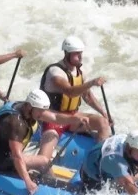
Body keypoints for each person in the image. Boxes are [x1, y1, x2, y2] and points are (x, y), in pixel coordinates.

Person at [0, 89, 89, 195]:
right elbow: (17, 156)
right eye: (40, 111)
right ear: (30, 107)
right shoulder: (15, 123)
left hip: (9, 154)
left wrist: (76, 119)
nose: (43, 114)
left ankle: (51, 184)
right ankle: (56, 190)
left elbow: (55, 117)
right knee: (43, 161)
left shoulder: (27, 109)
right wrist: (28, 181)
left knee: (40, 161)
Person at [38, 35, 111, 163]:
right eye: (76, 54)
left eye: (80, 53)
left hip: (73, 117)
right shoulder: (55, 72)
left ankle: (98, 163)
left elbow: (87, 96)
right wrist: (92, 83)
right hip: (53, 117)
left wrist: (104, 113)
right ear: (66, 53)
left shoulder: (80, 71)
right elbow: (70, 92)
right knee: (44, 158)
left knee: (103, 123)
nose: (80, 57)